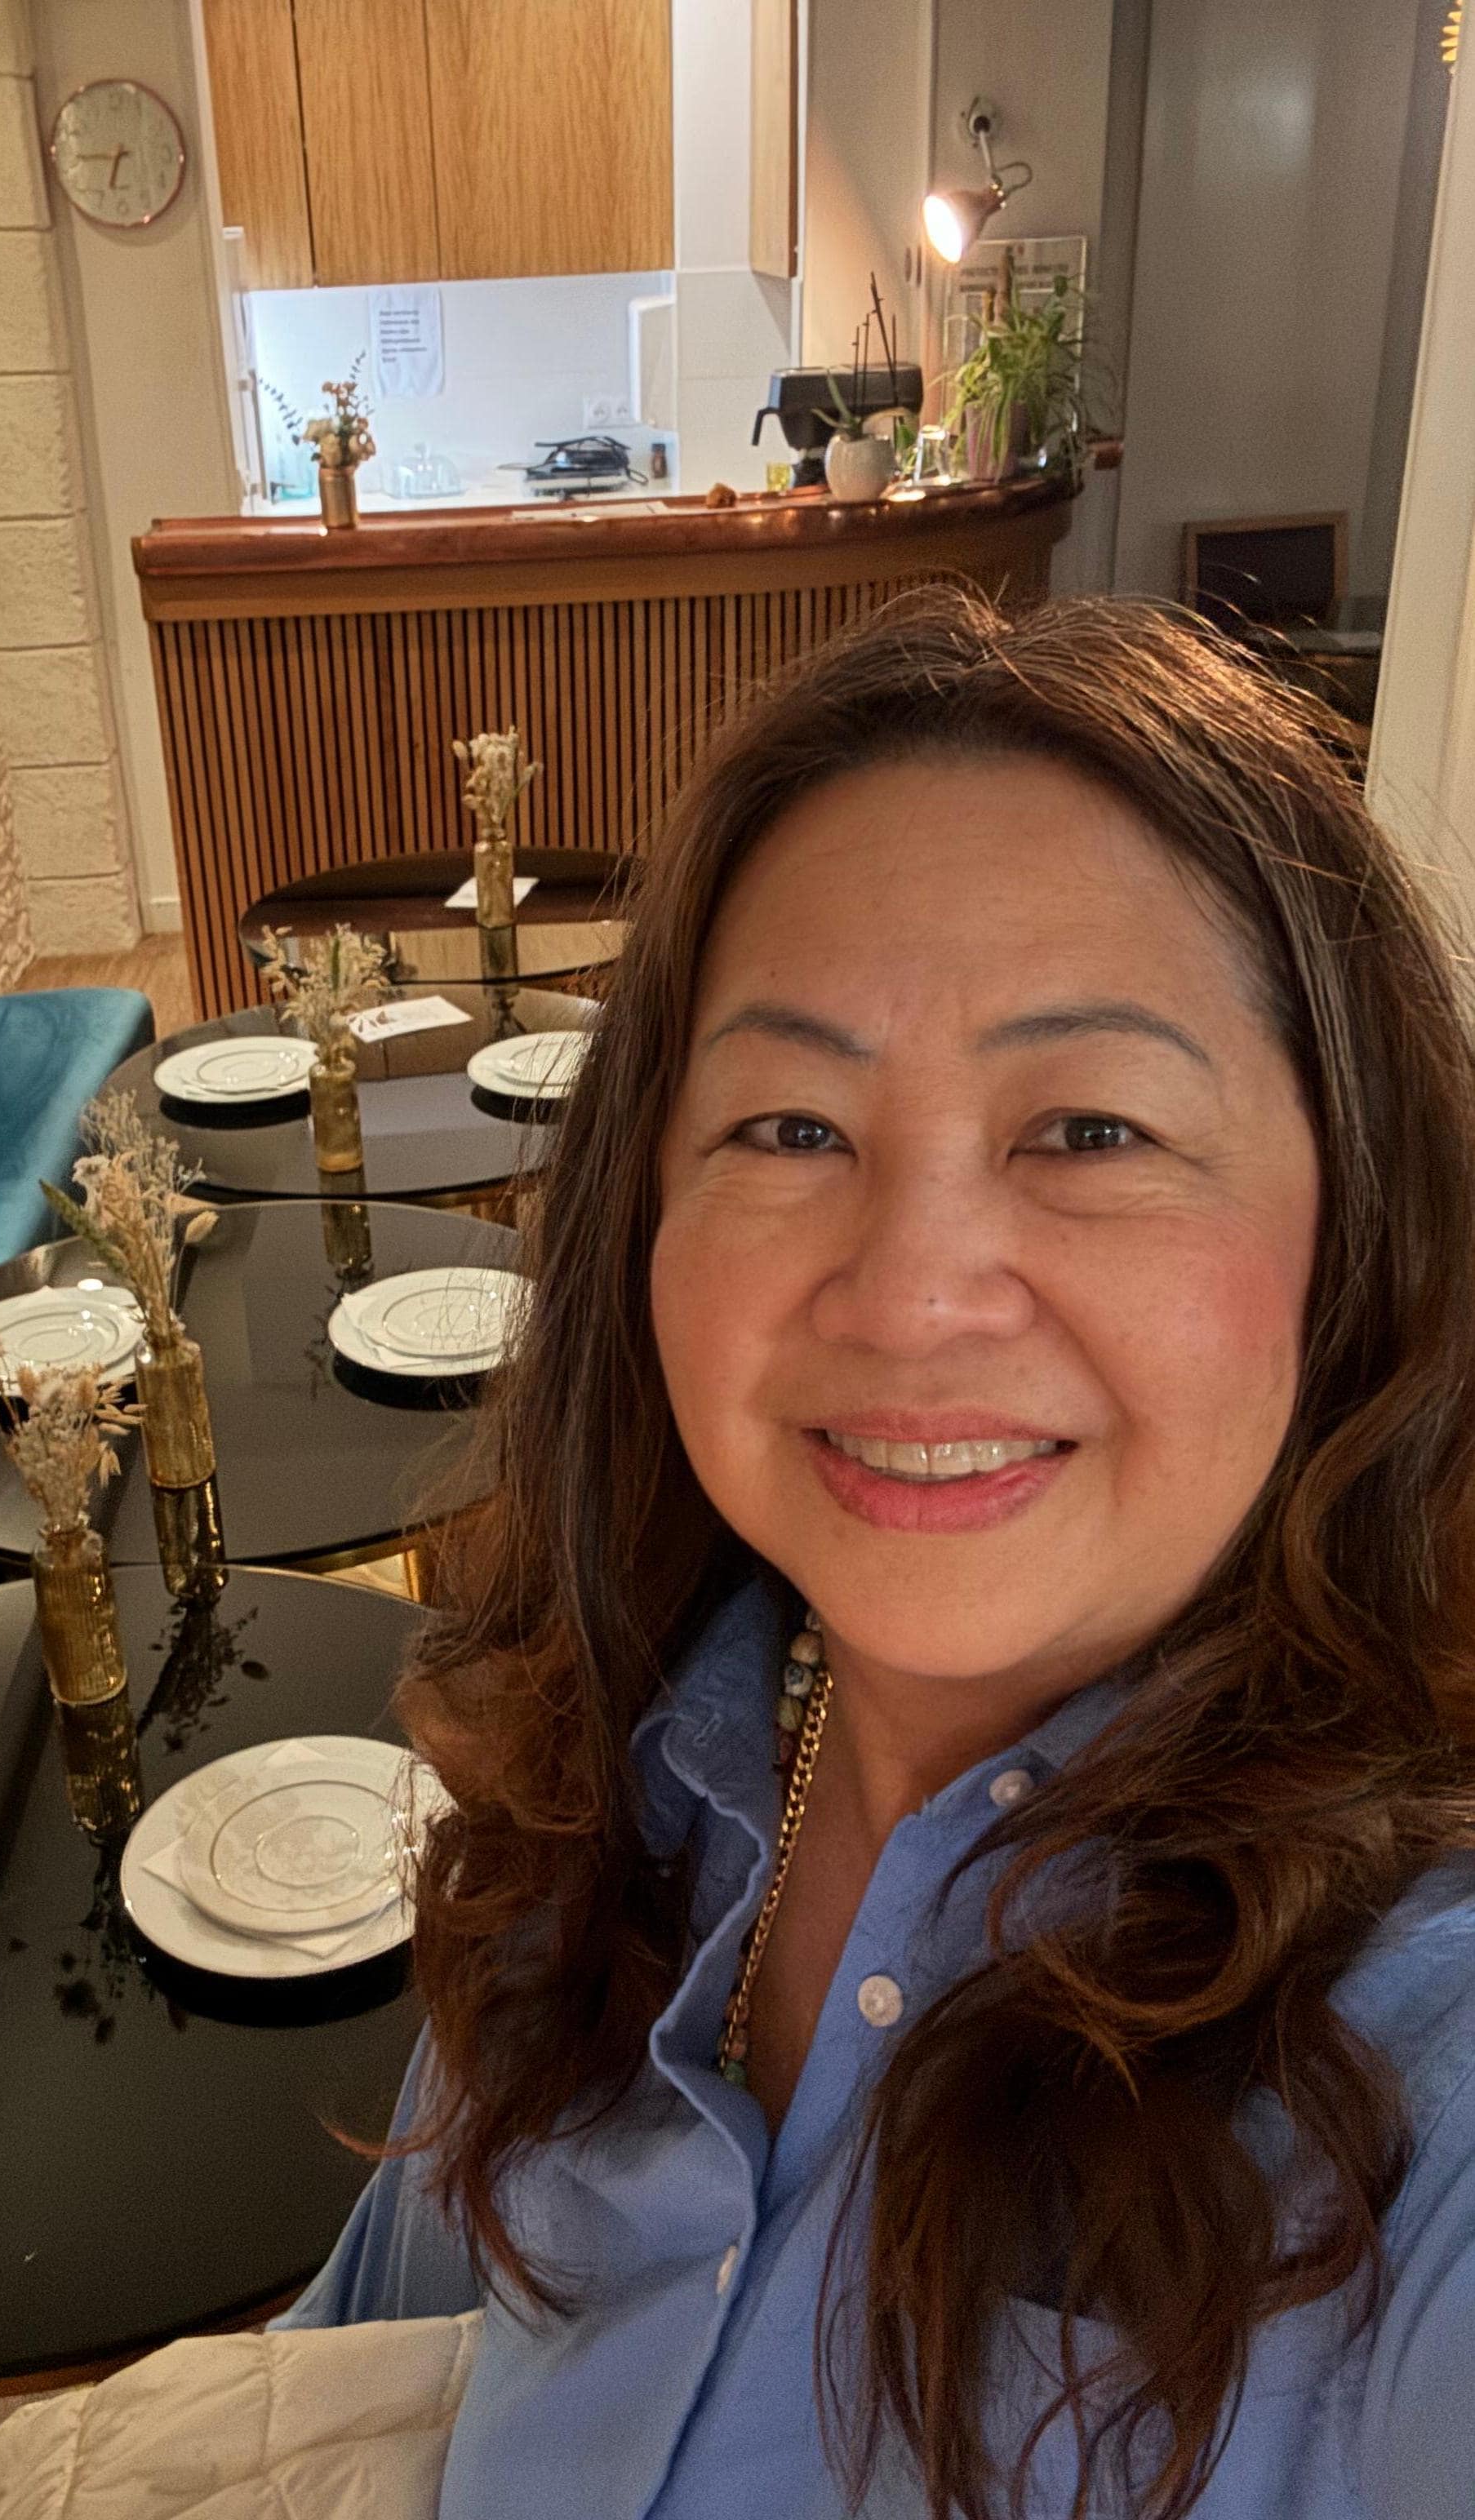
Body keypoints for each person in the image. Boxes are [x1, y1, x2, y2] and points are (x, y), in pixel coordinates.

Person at [278, 588, 1475, 2520]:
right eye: (791, 1124)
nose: (912, 1294)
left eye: (1090, 1127)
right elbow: (367, 2345)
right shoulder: (604, 1777)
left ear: (1358, 1228)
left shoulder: (1423, 2057)